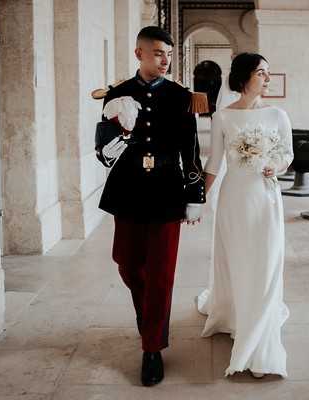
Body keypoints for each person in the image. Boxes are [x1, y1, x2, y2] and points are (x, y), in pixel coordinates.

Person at [95, 26, 205, 387]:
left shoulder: (181, 97)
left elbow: (190, 149)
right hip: (127, 190)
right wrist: (121, 135)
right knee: (126, 264)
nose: (165, 60)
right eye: (158, 52)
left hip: (166, 191)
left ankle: (152, 347)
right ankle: (149, 316)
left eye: (169, 54)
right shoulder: (117, 93)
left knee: (162, 273)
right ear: (139, 53)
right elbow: (102, 149)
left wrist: (194, 196)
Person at [196, 53, 293, 378]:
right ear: (243, 78)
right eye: (261, 73)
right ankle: (237, 313)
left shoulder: (278, 115)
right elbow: (214, 164)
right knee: (237, 258)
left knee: (266, 259)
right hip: (234, 199)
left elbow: (287, 155)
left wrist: (275, 166)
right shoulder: (223, 117)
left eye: (267, 72)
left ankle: (260, 331)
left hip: (266, 197)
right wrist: (197, 199)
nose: (267, 78)